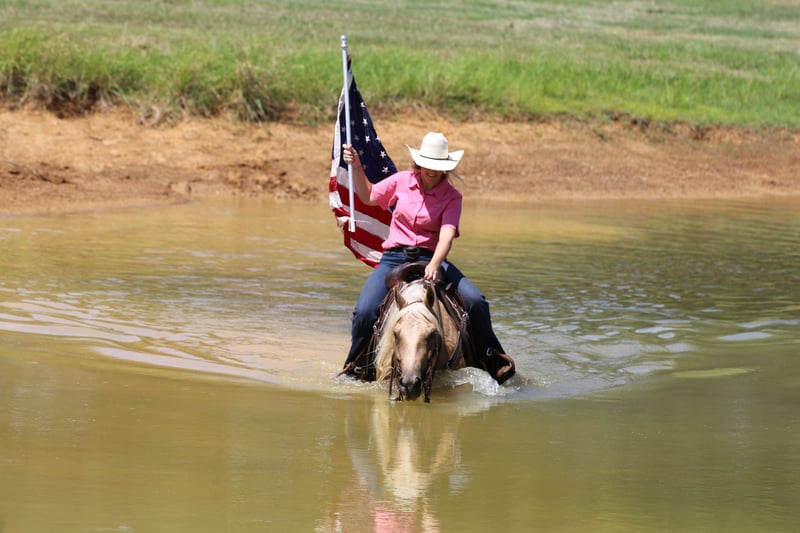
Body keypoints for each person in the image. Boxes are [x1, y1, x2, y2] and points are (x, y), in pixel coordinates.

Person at [341, 131, 515, 384]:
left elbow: (447, 235)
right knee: (365, 311)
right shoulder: (401, 180)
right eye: (427, 164)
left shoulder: (452, 197)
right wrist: (357, 166)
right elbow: (368, 195)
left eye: (437, 166)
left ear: (446, 167)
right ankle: (355, 364)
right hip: (393, 258)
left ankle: (492, 357)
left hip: (433, 257)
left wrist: (434, 264)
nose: (431, 170)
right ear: (418, 162)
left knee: (476, 301)